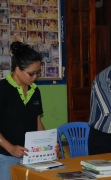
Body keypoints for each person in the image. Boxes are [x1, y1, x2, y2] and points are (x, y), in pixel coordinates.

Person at [0, 41, 59, 180]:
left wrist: (49, 145)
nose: (35, 77)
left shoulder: (35, 91)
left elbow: (37, 121)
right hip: (5, 156)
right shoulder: (3, 89)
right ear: (18, 69)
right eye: (31, 73)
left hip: (32, 156)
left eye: (38, 72)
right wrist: (10, 148)